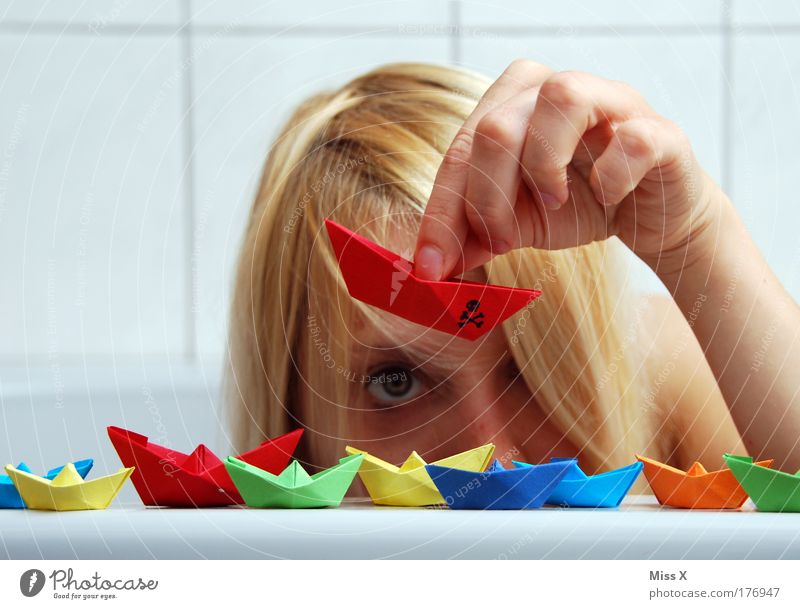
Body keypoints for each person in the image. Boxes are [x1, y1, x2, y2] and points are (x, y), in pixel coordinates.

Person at [224, 60, 800, 486]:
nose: (493, 453)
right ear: (294, 419)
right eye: (396, 382)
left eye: (531, 366)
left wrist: (696, 242)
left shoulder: (664, 376)